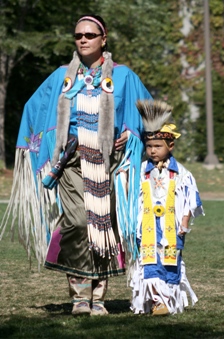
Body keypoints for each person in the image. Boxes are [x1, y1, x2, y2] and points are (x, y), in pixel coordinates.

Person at [1, 14, 152, 316]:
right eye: (78, 35)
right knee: (78, 222)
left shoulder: (123, 77)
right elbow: (35, 108)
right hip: (70, 163)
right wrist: (45, 144)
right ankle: (79, 293)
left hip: (108, 164)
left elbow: (150, 113)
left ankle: (98, 297)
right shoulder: (61, 77)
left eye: (89, 35)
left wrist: (130, 134)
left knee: (102, 228)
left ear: (103, 39)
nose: (83, 39)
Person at [116, 99, 204, 315]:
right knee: (149, 262)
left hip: (171, 229)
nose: (152, 151)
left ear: (170, 146)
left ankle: (167, 300)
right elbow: (126, 186)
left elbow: (190, 199)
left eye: (157, 146)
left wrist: (184, 223)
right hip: (146, 226)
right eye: (149, 146)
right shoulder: (142, 169)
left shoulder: (181, 173)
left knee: (170, 262)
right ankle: (157, 301)